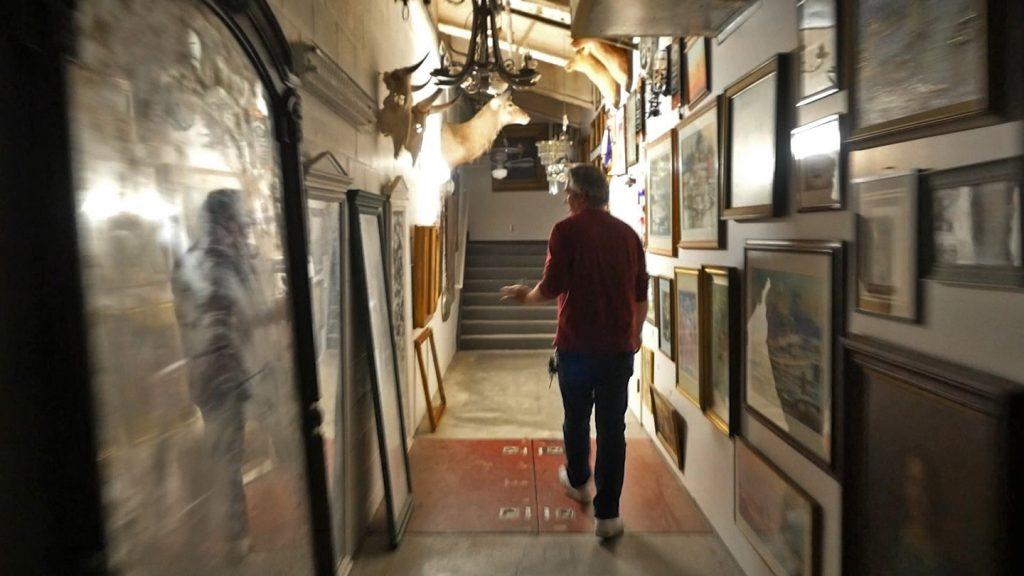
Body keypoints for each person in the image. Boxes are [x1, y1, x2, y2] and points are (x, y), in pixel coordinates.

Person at [501, 165, 648, 539]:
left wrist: (525, 296)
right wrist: (635, 333)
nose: (565, 199)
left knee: (576, 418)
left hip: (577, 348)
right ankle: (608, 516)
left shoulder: (565, 231)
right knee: (613, 428)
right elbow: (640, 295)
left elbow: (551, 287)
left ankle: (580, 481)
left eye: (568, 193)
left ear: (580, 196)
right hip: (618, 350)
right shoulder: (629, 235)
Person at [171, 189, 259, 561]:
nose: (244, 230)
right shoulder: (230, 261)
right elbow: (246, 316)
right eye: (239, 221)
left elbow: (186, 317)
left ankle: (219, 527)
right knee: (229, 458)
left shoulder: (188, 259)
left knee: (221, 451)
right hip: (229, 376)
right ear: (227, 221)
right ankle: (234, 536)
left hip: (204, 375)